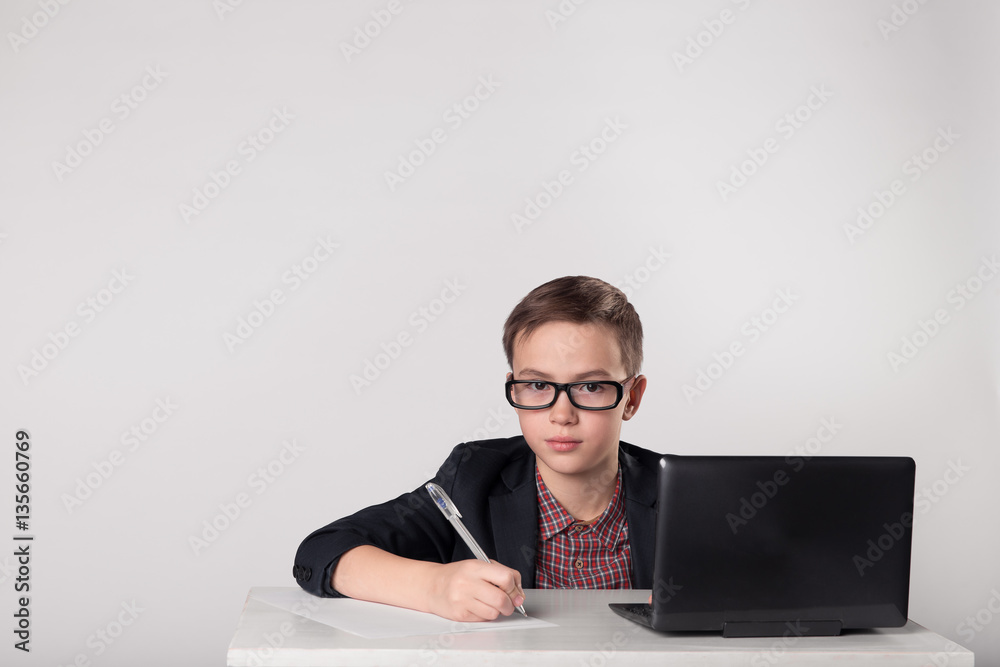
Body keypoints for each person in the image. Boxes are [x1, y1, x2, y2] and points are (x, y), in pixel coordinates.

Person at [292, 275, 662, 622]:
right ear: (514, 389)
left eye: (591, 387)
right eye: (536, 385)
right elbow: (321, 551)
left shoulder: (684, 496)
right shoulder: (472, 479)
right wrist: (433, 587)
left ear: (632, 397)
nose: (561, 414)